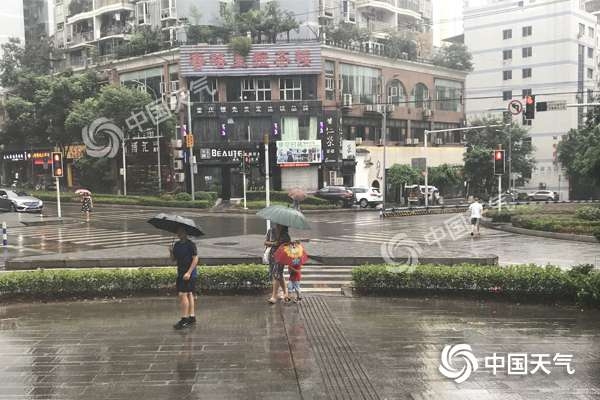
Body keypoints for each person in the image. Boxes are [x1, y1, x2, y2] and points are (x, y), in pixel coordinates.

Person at [170, 227, 199, 330]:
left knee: (182, 294)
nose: (179, 233)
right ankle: (192, 316)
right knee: (189, 293)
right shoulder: (177, 245)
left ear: (186, 233)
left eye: (181, 232)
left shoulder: (191, 245)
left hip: (189, 274)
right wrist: (170, 252)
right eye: (178, 232)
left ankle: (184, 319)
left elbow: (195, 259)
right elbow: (173, 260)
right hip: (181, 272)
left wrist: (189, 272)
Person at [264, 224, 290, 304]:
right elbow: (265, 242)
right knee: (278, 274)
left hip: (281, 256)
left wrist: (282, 245)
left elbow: (287, 247)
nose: (279, 224)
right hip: (272, 255)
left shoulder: (286, 235)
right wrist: (274, 243)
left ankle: (274, 296)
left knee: (276, 274)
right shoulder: (271, 231)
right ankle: (286, 293)